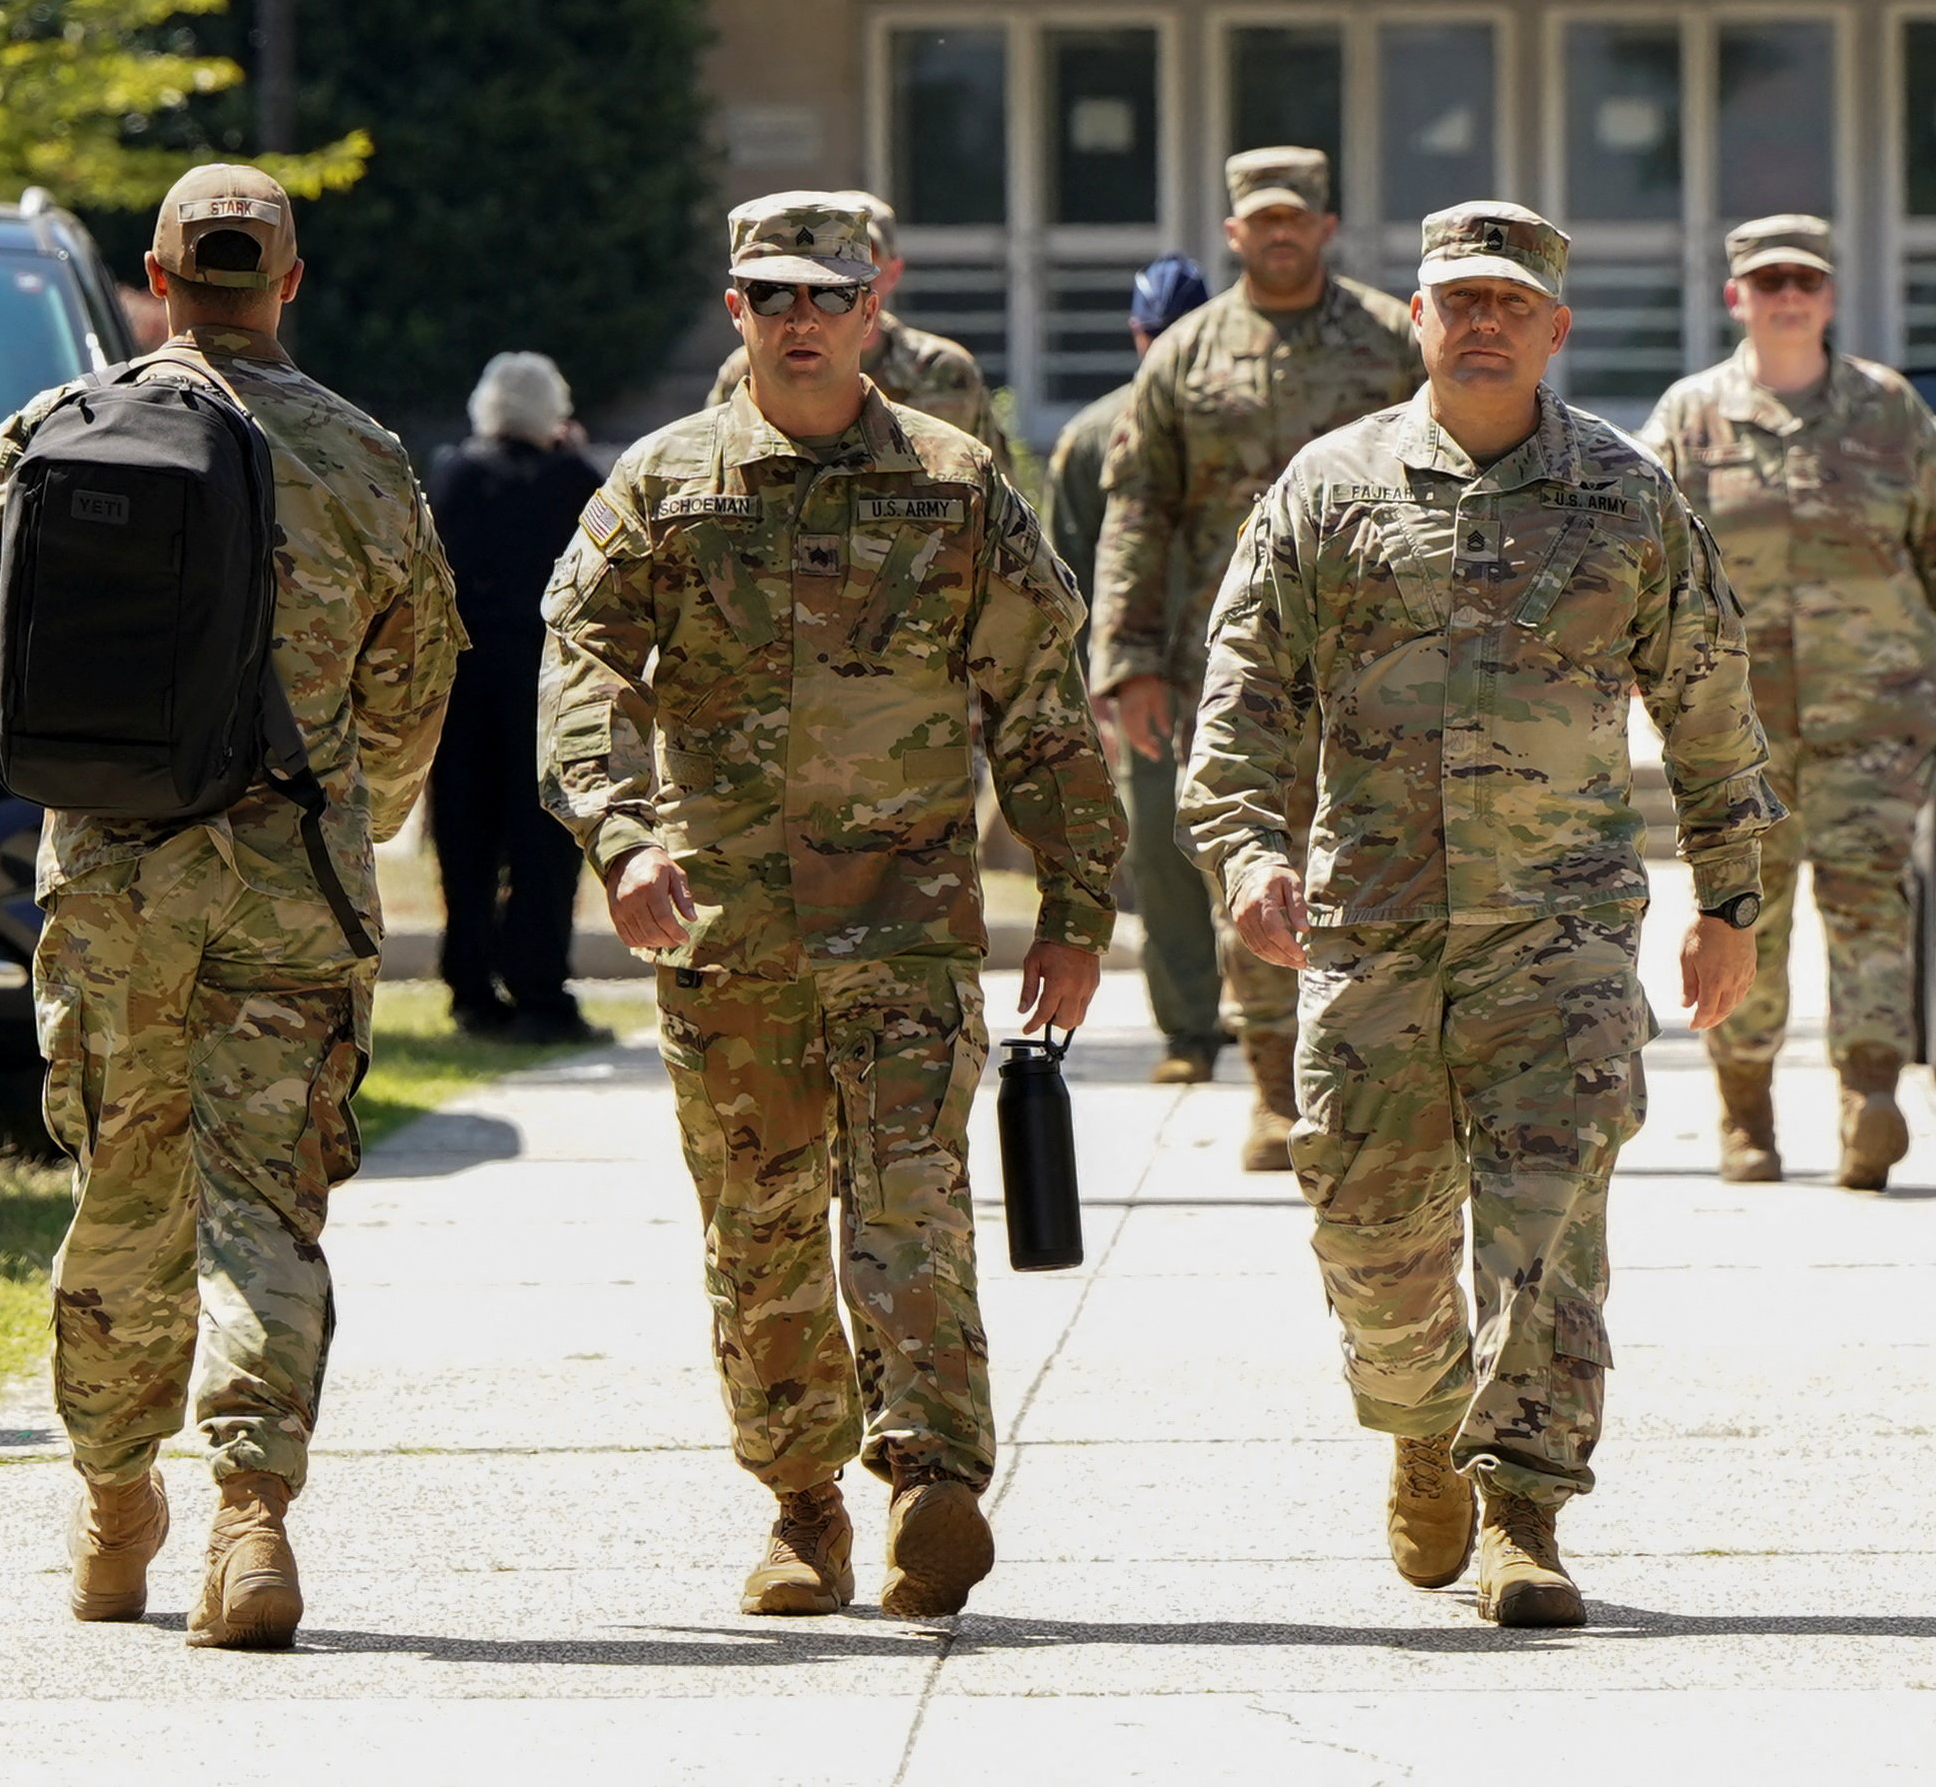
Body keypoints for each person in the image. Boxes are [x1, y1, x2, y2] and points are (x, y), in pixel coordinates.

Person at [1186, 201, 1780, 1628]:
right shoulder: (1328, 492)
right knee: (1368, 1228)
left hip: (1559, 931)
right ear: (1418, 318)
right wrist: (1249, 853)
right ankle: (1417, 1426)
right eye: (1459, 297)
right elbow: (1245, 698)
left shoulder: (1625, 497)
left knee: (1547, 1223)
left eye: (1512, 301)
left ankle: (1525, 1508)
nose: (1484, 320)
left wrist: (1731, 897)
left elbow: (1709, 704)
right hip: (1373, 928)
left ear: (1556, 327)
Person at [541, 192, 1122, 1622]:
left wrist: (1077, 901)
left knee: (912, 1209)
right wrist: (618, 841)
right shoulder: (664, 485)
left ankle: (932, 1481)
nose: (800, 320)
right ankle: (803, 1504)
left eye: (827, 295)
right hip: (727, 936)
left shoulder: (953, 481)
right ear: (733, 310)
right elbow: (580, 667)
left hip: (909, 927)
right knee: (762, 1228)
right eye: (770, 296)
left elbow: (1040, 701)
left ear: (878, 310)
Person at [0, 163, 466, 1649]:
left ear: (155, 279)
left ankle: (111, 1508)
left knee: (125, 1183)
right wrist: (357, 811)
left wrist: (100, 718)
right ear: (288, 281)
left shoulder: (61, 425)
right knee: (266, 1201)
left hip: (114, 878)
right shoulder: (362, 457)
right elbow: (416, 683)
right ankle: (250, 1515)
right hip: (292, 877)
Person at [1641, 215, 1936, 1190]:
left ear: (1831, 294)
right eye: (1768, 282)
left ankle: (1871, 1100)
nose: (1787, 297)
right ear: (1737, 297)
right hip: (1738, 733)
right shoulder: (1688, 420)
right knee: (1743, 916)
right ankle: (1745, 1112)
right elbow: (1638, 564)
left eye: (1803, 280)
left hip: (1875, 722)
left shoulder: (1892, 414)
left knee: (1869, 914)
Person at [1092, 147, 1426, 1170]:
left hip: (1382, 656)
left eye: (1299, 218)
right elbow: (1137, 511)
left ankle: (1385, 1077)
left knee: (1391, 863)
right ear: (1234, 233)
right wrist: (1129, 658)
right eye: (1262, 221)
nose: (1281, 233)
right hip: (1233, 661)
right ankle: (1278, 1093)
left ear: (1326, 226)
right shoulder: (1184, 357)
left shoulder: (1389, 341)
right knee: (1254, 867)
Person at [1048, 254, 1225, 1084]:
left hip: (1255, 680)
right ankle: (1189, 1029)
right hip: (1150, 684)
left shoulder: (1244, 426)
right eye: (1154, 338)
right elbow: (1065, 581)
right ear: (1135, 334)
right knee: (1162, 851)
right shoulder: (1093, 440)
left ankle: (1291, 1030)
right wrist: (1093, 692)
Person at [425, 351, 609, 1043]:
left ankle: (471, 987)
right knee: (544, 841)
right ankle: (539, 987)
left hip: (463, 688)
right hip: (547, 687)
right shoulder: (574, 481)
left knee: (465, 838)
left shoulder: (454, 476)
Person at [703, 188, 1011, 461]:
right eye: (774, 292)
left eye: (862, 262)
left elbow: (990, 484)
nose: (803, 321)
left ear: (893, 273)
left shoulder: (942, 371)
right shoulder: (749, 371)